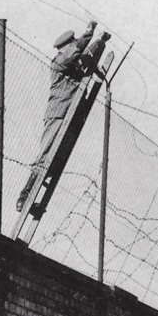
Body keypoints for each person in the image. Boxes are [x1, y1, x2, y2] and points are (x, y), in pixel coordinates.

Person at [16, 22, 109, 210]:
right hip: (59, 115)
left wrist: (100, 41)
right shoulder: (58, 62)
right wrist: (89, 34)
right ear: (65, 47)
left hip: (72, 117)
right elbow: (76, 52)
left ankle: (33, 199)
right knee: (46, 156)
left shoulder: (72, 64)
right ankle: (25, 196)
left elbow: (85, 56)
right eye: (73, 44)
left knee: (58, 159)